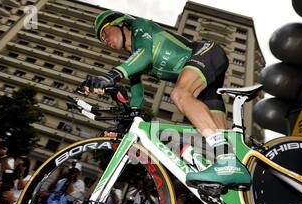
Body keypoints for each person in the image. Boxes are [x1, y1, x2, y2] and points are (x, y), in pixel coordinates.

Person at [80, 10, 251, 190]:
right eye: (101, 39)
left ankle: (227, 161)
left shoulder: (140, 26)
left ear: (120, 23)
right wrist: (125, 124)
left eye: (105, 33)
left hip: (207, 53)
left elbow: (145, 55)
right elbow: (137, 100)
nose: (105, 40)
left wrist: (110, 76)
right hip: (204, 82)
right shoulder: (134, 60)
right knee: (221, 136)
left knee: (180, 94)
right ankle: (236, 178)